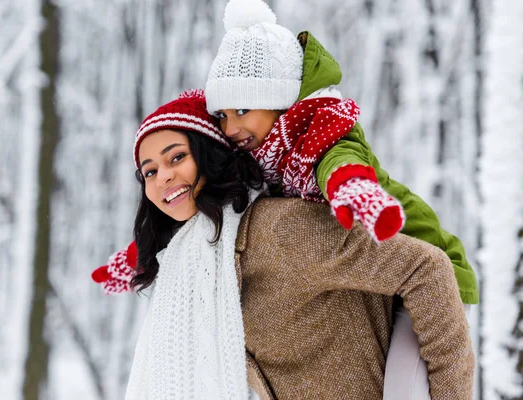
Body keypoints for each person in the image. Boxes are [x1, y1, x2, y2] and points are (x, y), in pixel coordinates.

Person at [92, 90, 474, 399]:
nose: (164, 177)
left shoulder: (278, 230)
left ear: (208, 158)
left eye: (177, 157)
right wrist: (135, 262)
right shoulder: (196, 271)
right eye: (150, 172)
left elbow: (427, 268)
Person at [204, 0, 478, 397]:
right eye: (222, 115)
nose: (231, 127)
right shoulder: (262, 158)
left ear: (279, 101)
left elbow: (339, 162)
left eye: (243, 109)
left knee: (403, 390)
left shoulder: (324, 130)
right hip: (385, 275)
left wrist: (353, 190)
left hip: (429, 273)